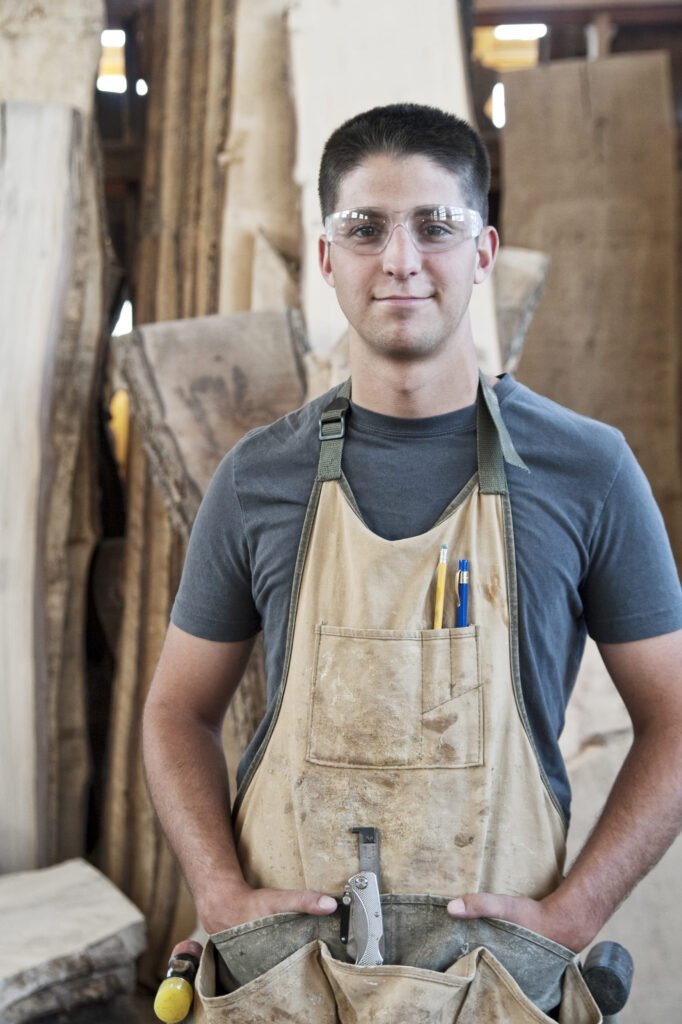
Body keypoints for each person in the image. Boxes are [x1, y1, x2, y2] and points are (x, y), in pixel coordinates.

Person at [143, 103, 682, 1020]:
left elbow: (673, 719)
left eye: (435, 226)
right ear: (327, 258)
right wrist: (219, 894)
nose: (400, 259)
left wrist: (576, 913)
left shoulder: (587, 470)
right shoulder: (258, 478)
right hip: (284, 985)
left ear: (483, 251)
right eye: (365, 229)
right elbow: (175, 711)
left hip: (495, 986)